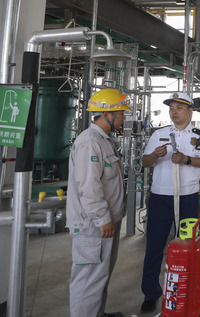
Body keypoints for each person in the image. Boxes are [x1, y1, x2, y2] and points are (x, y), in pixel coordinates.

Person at [140, 92, 200, 313]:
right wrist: (155, 155)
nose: (173, 111)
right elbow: (145, 162)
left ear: (190, 111)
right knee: (154, 246)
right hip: (160, 197)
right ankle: (151, 294)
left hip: (187, 197)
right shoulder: (159, 134)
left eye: (178, 107)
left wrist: (186, 159)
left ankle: (192, 292)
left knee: (190, 246)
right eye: (171, 107)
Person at [66, 88, 130, 317]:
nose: (124, 118)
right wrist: (103, 219)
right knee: (88, 280)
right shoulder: (89, 143)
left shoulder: (102, 141)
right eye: (121, 113)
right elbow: (89, 186)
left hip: (104, 223)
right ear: (107, 115)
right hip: (93, 225)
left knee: (100, 276)